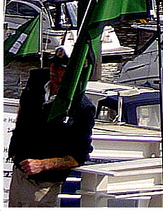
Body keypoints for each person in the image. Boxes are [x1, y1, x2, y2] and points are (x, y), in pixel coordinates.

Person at [7, 49, 96, 207]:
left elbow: (78, 156)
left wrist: (42, 165)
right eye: (54, 66)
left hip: (44, 186)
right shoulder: (34, 89)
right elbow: (20, 121)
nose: (55, 71)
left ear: (73, 72)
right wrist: (14, 152)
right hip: (19, 177)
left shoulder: (81, 108)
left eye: (62, 68)